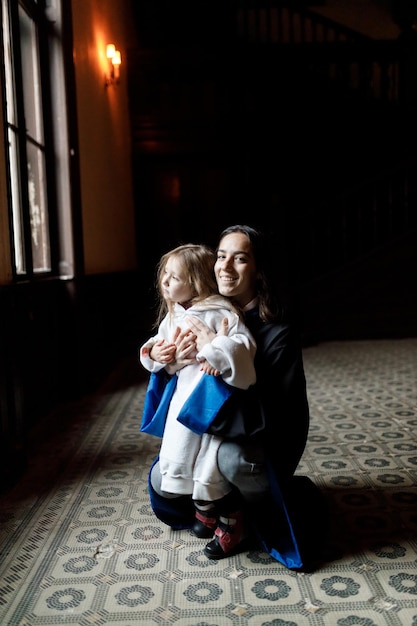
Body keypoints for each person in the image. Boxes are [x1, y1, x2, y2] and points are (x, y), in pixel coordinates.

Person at [147, 226, 327, 570]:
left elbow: (278, 410)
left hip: (259, 438)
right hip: (207, 429)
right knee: (162, 479)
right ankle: (214, 504)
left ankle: (247, 515)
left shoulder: (278, 330)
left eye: (240, 258)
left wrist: (219, 352)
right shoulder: (204, 310)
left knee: (232, 460)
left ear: (259, 270)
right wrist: (175, 358)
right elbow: (172, 372)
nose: (225, 266)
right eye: (221, 255)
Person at [139, 243, 257, 541]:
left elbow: (243, 346)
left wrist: (215, 350)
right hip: (184, 400)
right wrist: (157, 353)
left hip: (213, 400)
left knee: (208, 461)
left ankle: (226, 513)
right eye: (164, 274)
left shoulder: (221, 312)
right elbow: (155, 345)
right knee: (181, 456)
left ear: (194, 283)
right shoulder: (174, 316)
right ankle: (202, 509)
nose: (165, 281)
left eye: (174, 277)